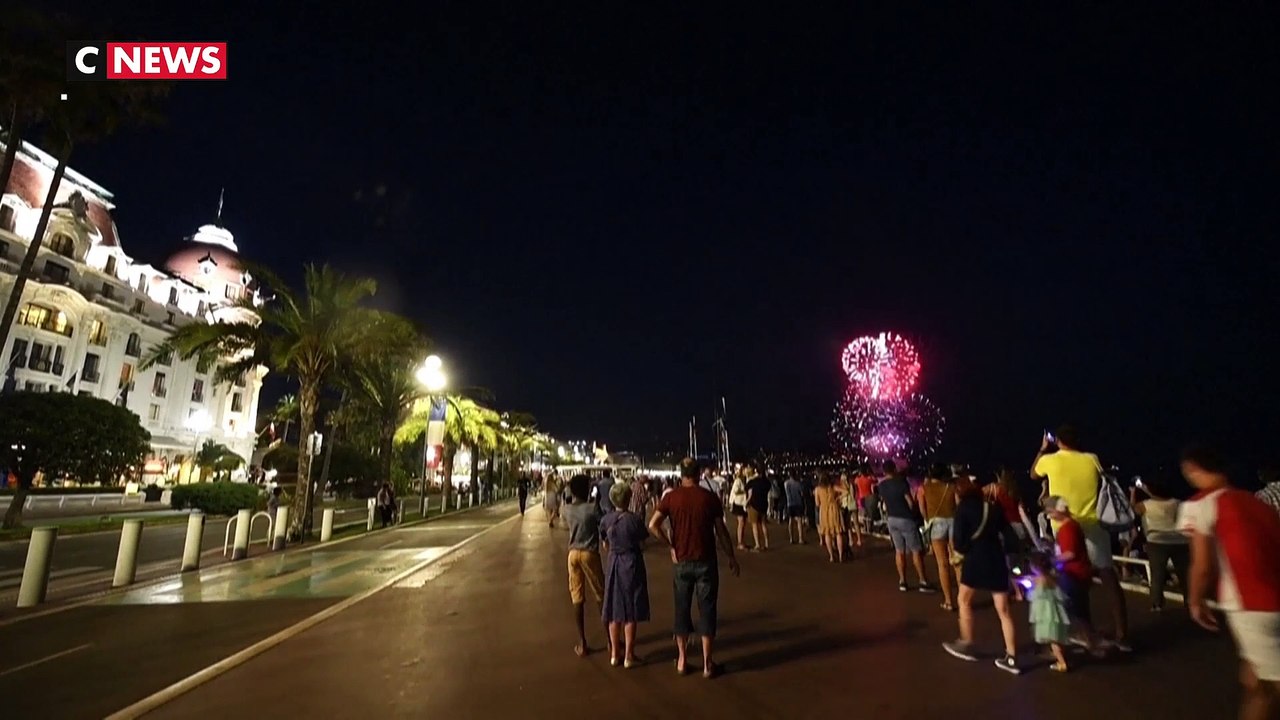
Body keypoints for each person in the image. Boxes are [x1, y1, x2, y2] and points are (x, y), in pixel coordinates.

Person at [1179, 445, 1280, 720]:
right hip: (1274, 597)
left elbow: (1202, 565)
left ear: (1192, 469)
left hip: (1250, 603)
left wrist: (1195, 600)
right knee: (1256, 677)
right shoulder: (1257, 502)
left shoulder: (1199, 505)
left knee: (1267, 687)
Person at [1031, 425, 1130, 651]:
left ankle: (1086, 633)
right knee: (1107, 575)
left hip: (1065, 526)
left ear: (1058, 441)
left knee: (1073, 577)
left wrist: (1042, 449)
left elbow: (1033, 474)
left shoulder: (1050, 460)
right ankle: (1122, 633)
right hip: (1093, 524)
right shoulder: (1091, 458)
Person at [648, 457, 741, 679]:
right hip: (706, 561)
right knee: (707, 610)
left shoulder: (671, 498)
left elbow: (653, 525)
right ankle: (708, 664)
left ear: (681, 474)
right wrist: (731, 556)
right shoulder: (709, 498)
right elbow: (721, 530)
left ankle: (682, 660)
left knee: (681, 609)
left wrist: (670, 545)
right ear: (699, 474)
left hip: (681, 561)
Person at [943, 479, 1021, 674]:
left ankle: (967, 642)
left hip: (975, 560)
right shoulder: (993, 508)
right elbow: (1010, 537)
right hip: (996, 559)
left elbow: (959, 542)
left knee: (964, 600)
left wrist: (962, 552)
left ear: (959, 494)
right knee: (1003, 611)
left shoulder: (963, 509)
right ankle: (1011, 657)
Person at [1044, 495, 1103, 653]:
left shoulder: (1067, 529)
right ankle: (1089, 639)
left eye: (1051, 511)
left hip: (1074, 574)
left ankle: (1082, 641)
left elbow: (1069, 553)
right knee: (1081, 610)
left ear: (1059, 511)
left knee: (1070, 610)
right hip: (1081, 574)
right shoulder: (1073, 525)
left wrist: (1052, 561)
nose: (1049, 515)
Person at [601, 482, 650, 668]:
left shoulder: (606, 519)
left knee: (614, 610)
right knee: (631, 611)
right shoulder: (634, 520)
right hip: (632, 563)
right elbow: (643, 543)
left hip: (614, 563)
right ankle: (629, 655)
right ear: (628, 498)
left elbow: (605, 541)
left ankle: (614, 654)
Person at [563, 474, 607, 658]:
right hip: (589, 552)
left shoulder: (566, 509)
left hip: (572, 553)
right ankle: (611, 639)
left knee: (577, 597)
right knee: (600, 594)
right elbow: (602, 522)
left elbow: (566, 504)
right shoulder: (592, 508)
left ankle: (582, 642)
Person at [1131, 475, 1188, 612]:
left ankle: (1157, 603)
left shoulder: (1145, 505)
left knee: (1157, 574)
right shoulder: (1177, 503)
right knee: (1184, 574)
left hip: (1156, 541)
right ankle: (1189, 602)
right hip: (1179, 540)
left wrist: (1134, 492)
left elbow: (1133, 508)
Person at [879, 461, 934, 592]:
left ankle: (902, 581)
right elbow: (910, 503)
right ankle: (922, 581)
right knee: (916, 550)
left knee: (899, 551)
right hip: (905, 519)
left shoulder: (881, 486)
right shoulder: (901, 484)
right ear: (894, 469)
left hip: (891, 519)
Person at [920, 463, 959, 611]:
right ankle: (962, 598)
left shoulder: (924, 489)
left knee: (942, 564)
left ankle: (948, 601)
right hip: (952, 522)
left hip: (936, 524)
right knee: (957, 561)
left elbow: (922, 508)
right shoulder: (951, 487)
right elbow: (958, 504)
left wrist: (928, 519)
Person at [1026, 551, 1071, 672]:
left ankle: (1062, 663)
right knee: (1056, 638)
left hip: (1046, 614)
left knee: (1053, 640)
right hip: (1055, 612)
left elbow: (1036, 594)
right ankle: (1060, 657)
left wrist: (1031, 588)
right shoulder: (1052, 577)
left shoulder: (1040, 580)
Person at [813, 472, 846, 563]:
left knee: (827, 533)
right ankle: (840, 555)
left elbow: (817, 503)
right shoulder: (832, 487)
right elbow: (846, 491)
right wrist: (838, 498)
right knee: (838, 533)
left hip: (824, 511)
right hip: (834, 509)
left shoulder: (817, 489)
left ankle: (831, 556)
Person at [745, 466, 771, 551]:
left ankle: (757, 544)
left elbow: (750, 494)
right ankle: (767, 543)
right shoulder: (767, 482)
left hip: (754, 505)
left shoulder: (752, 482)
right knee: (763, 524)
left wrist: (746, 503)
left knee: (754, 525)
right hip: (764, 504)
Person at [728, 468, 749, 550]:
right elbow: (736, 491)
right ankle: (740, 542)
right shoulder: (738, 481)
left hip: (742, 503)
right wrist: (745, 491)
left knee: (743, 523)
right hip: (738, 503)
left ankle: (741, 541)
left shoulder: (743, 480)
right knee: (741, 523)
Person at [784, 473, 806, 544]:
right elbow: (802, 494)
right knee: (799, 521)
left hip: (790, 503)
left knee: (791, 520)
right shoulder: (798, 484)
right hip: (798, 503)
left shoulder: (786, 483)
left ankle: (791, 538)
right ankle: (800, 538)